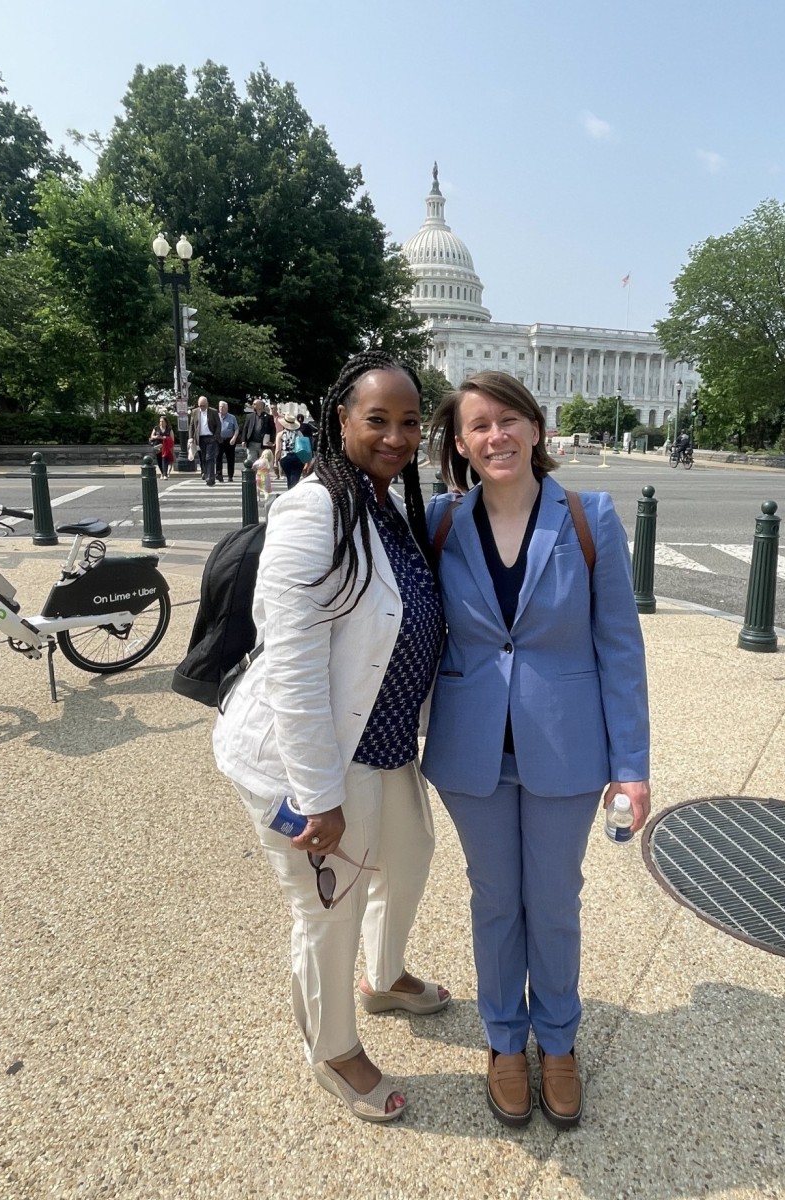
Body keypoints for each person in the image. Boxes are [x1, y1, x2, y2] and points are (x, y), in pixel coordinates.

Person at [213, 350, 449, 1124]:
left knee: (409, 858)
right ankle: (334, 1051)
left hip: (383, 745)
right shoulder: (316, 508)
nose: (395, 435)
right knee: (328, 906)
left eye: (409, 421)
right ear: (339, 419)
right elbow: (292, 661)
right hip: (310, 759)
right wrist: (317, 797)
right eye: (376, 419)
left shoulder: (386, 504)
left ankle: (383, 979)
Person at [424, 371, 650, 1131]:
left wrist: (632, 767)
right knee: (494, 899)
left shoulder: (589, 517)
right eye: (479, 426)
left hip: (566, 747)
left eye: (509, 419)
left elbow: (620, 647)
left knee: (553, 902)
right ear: (460, 444)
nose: (497, 436)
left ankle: (558, 1040)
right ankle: (502, 1042)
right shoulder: (441, 523)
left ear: (536, 427)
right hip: (471, 750)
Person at [189, 395, 222, 485]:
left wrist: (215, 436)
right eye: (200, 405)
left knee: (209, 458)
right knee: (203, 458)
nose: (202, 407)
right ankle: (205, 473)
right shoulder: (194, 412)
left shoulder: (213, 412)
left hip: (211, 437)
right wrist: (191, 437)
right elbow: (192, 425)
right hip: (200, 438)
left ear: (207, 404)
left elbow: (218, 425)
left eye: (203, 405)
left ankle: (210, 478)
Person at [242, 398, 276, 466]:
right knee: (251, 462)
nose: (252, 405)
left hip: (263, 444)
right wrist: (243, 440)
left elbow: (273, 430)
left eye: (254, 404)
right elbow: (245, 428)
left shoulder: (269, 417)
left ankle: (261, 476)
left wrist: (272, 441)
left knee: (263, 463)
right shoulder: (249, 416)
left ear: (260, 406)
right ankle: (252, 476)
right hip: (252, 443)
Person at [276, 413, 305, 489]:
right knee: (295, 478)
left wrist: (275, 461)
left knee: (289, 477)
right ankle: (292, 491)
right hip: (297, 458)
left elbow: (278, 449)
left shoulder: (280, 434)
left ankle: (290, 491)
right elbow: (303, 447)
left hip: (285, 458)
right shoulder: (299, 433)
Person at [217, 401, 240, 482]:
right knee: (218, 458)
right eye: (220, 406)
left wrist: (234, 438)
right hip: (219, 440)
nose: (221, 408)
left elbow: (236, 429)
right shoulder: (216, 417)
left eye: (223, 407)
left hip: (229, 440)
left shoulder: (232, 417)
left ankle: (230, 476)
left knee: (230, 459)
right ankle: (219, 475)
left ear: (227, 408)